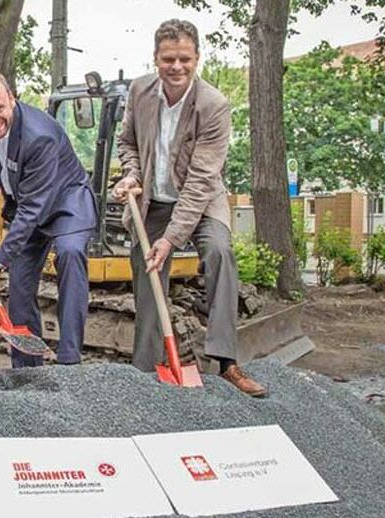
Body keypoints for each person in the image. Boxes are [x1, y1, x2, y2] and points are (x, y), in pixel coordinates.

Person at [111, 19, 266, 397]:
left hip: (201, 198)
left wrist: (170, 239)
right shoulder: (139, 92)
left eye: (184, 59)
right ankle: (146, 370)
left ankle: (226, 362)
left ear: (197, 59)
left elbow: (200, 182)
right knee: (147, 270)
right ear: (156, 59)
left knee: (218, 252)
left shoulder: (213, 105)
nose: (176, 67)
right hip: (154, 198)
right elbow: (127, 142)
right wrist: (132, 174)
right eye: (168, 59)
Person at [0, 69, 97, 368]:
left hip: (66, 203)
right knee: (19, 283)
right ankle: (27, 367)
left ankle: (70, 362)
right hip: (28, 205)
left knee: (69, 254)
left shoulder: (38, 136)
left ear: (12, 100)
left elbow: (32, 209)